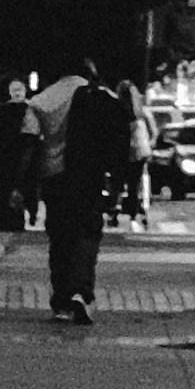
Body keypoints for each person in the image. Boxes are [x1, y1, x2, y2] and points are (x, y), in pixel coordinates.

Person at [47, 63, 142, 323]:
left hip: (66, 176)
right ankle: (82, 291)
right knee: (87, 237)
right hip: (94, 179)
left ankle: (62, 297)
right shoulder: (109, 104)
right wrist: (116, 186)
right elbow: (122, 147)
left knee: (60, 238)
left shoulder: (73, 102)